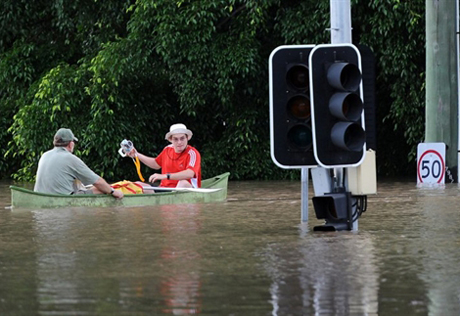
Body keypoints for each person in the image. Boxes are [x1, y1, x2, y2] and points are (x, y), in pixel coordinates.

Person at [34, 128, 124, 199]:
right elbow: (98, 182)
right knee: (102, 189)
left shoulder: (45, 155)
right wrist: (113, 192)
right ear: (70, 144)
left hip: (40, 196)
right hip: (63, 200)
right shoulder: (70, 158)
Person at [128, 123, 201, 188]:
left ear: (187, 138)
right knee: (137, 185)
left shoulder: (192, 153)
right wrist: (136, 155)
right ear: (170, 140)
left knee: (183, 183)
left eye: (182, 138)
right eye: (175, 139)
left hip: (186, 188)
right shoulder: (167, 149)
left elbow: (190, 173)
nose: (179, 142)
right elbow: (156, 164)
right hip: (164, 188)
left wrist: (165, 176)